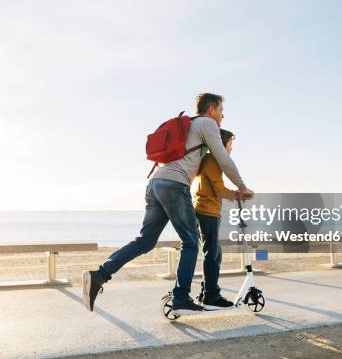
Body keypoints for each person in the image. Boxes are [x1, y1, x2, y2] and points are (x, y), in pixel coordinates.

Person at [82, 93, 254, 315]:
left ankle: (99, 275)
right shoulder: (207, 123)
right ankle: (181, 298)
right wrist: (242, 187)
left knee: (145, 241)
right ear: (211, 109)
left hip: (156, 182)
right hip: (174, 184)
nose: (222, 115)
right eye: (221, 110)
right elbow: (224, 159)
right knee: (191, 242)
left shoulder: (190, 125)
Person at [193, 129, 238, 310]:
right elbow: (218, 188)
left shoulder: (210, 161)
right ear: (221, 144)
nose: (231, 149)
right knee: (212, 254)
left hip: (208, 212)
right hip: (207, 212)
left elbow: (216, 187)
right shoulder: (212, 161)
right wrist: (237, 194)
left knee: (214, 254)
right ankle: (211, 296)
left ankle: (206, 293)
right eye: (230, 145)